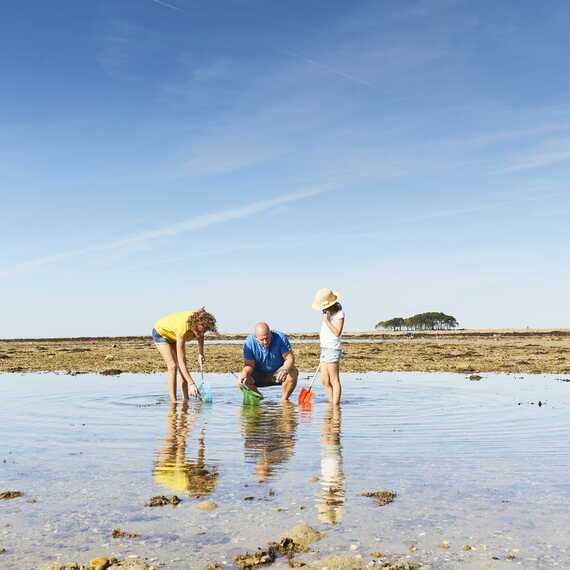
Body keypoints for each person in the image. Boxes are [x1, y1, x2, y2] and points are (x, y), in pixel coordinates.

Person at [152, 308, 217, 402]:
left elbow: (200, 336)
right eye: (201, 330)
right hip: (161, 334)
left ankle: (186, 400)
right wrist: (192, 384)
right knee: (173, 366)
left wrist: (201, 353)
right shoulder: (183, 328)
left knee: (183, 368)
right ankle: (173, 403)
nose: (202, 333)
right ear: (196, 323)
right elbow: (181, 363)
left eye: (205, 330)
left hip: (173, 334)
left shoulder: (201, 325)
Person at [236, 322, 299, 401]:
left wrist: (285, 369)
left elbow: (289, 358)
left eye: (267, 338)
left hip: (278, 374)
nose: (265, 342)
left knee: (293, 371)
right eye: (262, 340)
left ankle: (284, 400)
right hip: (258, 375)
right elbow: (249, 365)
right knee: (241, 380)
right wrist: (244, 373)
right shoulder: (249, 342)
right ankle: (259, 397)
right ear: (256, 338)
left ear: (271, 334)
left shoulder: (280, 337)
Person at [312, 288, 345, 404]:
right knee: (325, 381)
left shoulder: (339, 314)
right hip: (324, 349)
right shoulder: (326, 313)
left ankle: (335, 406)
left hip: (333, 349)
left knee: (334, 379)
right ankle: (331, 403)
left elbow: (337, 332)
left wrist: (326, 321)